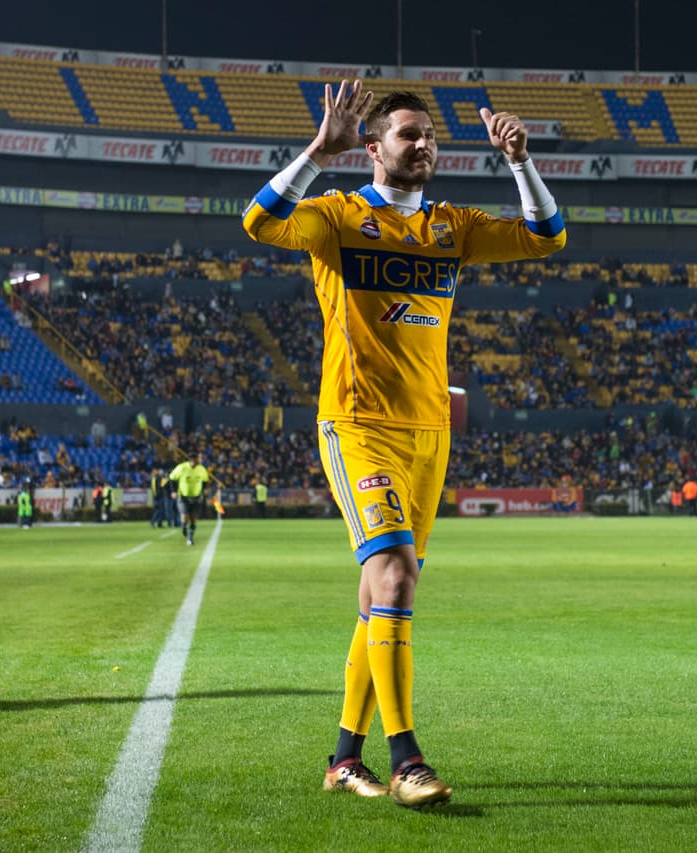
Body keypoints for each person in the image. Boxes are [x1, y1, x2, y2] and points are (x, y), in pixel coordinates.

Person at [242, 80, 566, 809]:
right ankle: (407, 758)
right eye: (408, 135)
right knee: (394, 579)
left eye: (429, 136)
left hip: (429, 433)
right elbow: (258, 222)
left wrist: (520, 162)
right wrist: (313, 158)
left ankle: (342, 758)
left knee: (376, 597)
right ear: (373, 146)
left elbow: (550, 237)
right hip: (356, 424)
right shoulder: (334, 218)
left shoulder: (453, 227)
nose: (423, 145)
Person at [169, 452, 211, 546]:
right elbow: (171, 478)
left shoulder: (201, 469)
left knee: (194, 519)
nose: (198, 460)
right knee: (184, 517)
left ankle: (190, 538)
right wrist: (173, 491)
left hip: (196, 497)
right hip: (183, 496)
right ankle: (184, 526)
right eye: (196, 458)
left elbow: (205, 481)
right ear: (191, 460)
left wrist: (205, 490)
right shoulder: (182, 467)